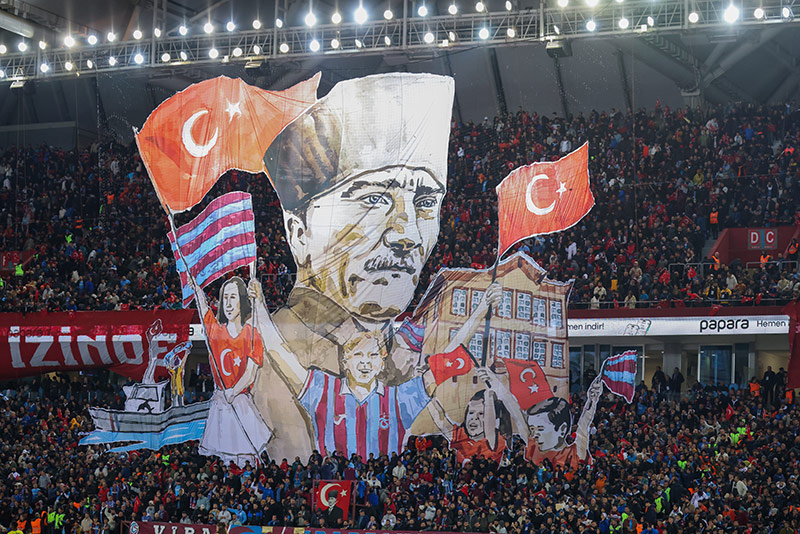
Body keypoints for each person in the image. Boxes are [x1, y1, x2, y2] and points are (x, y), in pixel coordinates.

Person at [251, 73, 459, 460]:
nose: (408, 234)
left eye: (425, 202)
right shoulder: (274, 358)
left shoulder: (405, 351)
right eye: (375, 200)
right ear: (300, 232)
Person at [188, 274, 272, 466]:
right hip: (221, 402)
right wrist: (196, 289)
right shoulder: (216, 332)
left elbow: (250, 373)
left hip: (240, 401)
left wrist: (233, 392)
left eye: (233, 297)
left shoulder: (251, 334)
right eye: (225, 297)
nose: (228, 303)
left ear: (241, 301)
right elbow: (203, 308)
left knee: (245, 452)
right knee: (224, 454)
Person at [427, 367, 524, 464]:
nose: (474, 418)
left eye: (481, 414)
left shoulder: (495, 440)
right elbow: (440, 419)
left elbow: (489, 427)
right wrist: (429, 396)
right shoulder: (459, 435)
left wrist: (490, 395)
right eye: (471, 412)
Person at [524, 375, 603, 470]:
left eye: (540, 429)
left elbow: (583, 427)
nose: (534, 435)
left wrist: (592, 400)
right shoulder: (533, 447)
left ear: (562, 429)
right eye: (532, 429)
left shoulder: (573, 453)